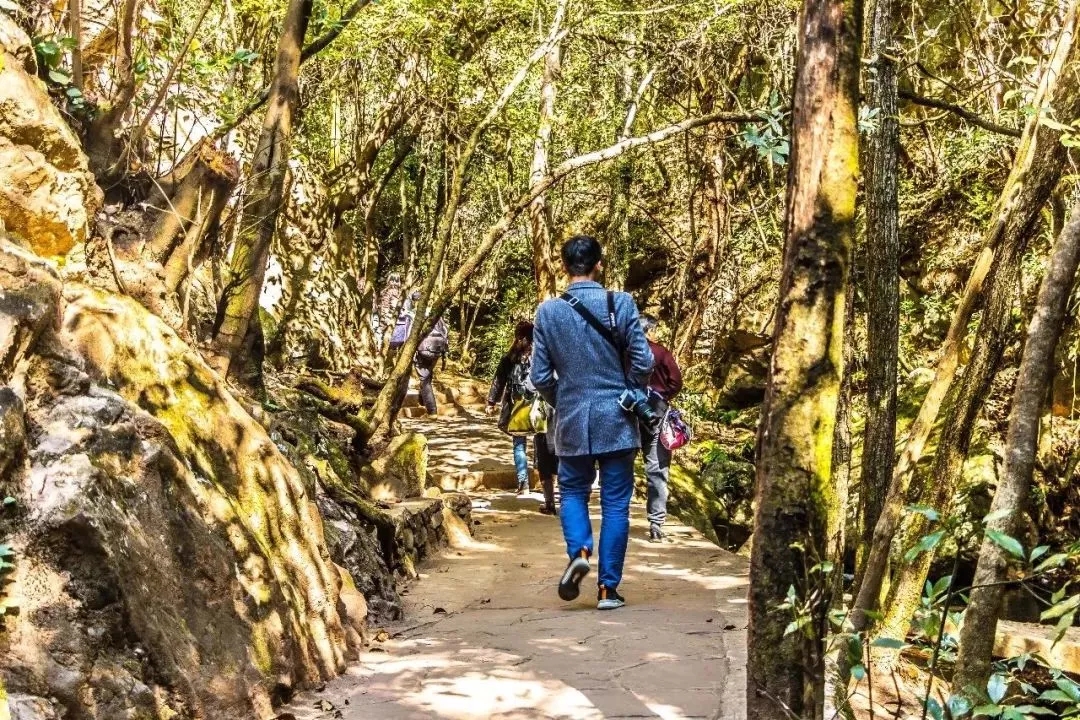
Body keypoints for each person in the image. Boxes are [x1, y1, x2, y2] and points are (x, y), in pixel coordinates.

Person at [531, 235, 653, 611]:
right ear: (599, 264)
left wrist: (564, 399)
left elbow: (539, 376)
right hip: (616, 418)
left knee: (572, 492)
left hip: (570, 420)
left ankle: (580, 549)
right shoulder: (621, 303)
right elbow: (644, 362)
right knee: (616, 504)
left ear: (564, 266)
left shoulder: (548, 312)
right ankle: (607, 591)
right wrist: (630, 390)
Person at [486, 321, 557, 506]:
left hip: (517, 406)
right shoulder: (542, 356)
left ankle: (523, 482)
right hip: (541, 407)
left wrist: (491, 402)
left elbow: (499, 380)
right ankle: (545, 481)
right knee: (541, 442)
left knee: (519, 443)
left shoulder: (510, 357)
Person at [637, 315, 683, 542]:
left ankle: (616, 518)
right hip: (656, 411)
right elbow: (676, 381)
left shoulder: (623, 352)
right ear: (649, 331)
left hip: (627, 413)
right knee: (657, 468)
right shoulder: (661, 353)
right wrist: (664, 396)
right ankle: (656, 524)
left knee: (621, 464)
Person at [412, 291, 449, 415]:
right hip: (438, 349)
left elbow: (412, 332)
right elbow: (445, 330)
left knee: (424, 379)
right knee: (428, 374)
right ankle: (423, 401)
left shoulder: (418, 314)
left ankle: (432, 411)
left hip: (424, 349)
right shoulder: (435, 313)